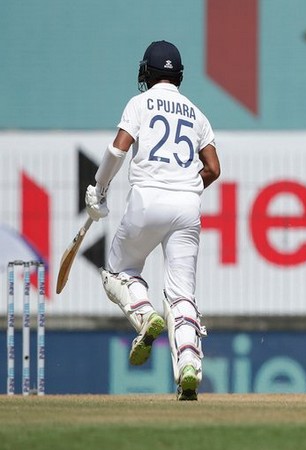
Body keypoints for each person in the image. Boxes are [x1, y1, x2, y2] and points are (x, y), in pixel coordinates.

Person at [85, 40, 221, 401]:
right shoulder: (196, 113)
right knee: (182, 295)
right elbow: (214, 168)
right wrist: (188, 185)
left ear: (147, 72)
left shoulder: (139, 103)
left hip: (146, 201)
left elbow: (118, 148)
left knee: (118, 271)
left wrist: (98, 189)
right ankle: (189, 364)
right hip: (187, 206)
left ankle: (145, 316)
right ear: (178, 74)